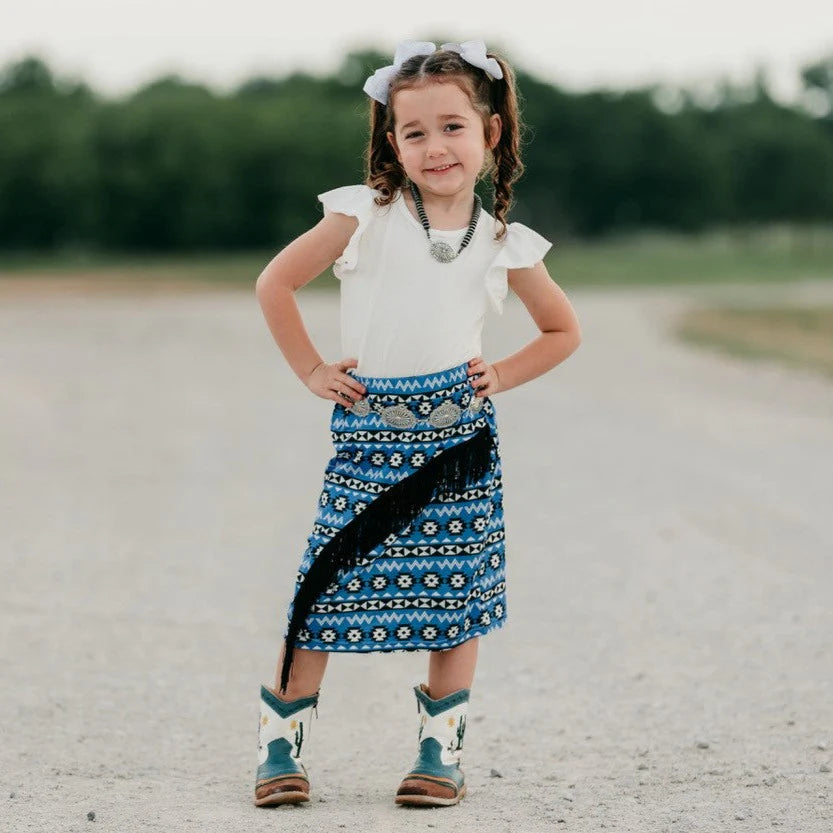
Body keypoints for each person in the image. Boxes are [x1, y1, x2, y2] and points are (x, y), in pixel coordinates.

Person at [252, 39, 582, 809]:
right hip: (368, 434)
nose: (435, 147)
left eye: (452, 127)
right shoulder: (360, 215)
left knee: (452, 594)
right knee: (324, 585)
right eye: (414, 132)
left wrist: (499, 373)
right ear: (390, 143)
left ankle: (440, 751)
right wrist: (309, 368)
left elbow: (562, 331)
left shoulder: (505, 242)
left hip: (458, 443)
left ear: (490, 134)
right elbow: (275, 282)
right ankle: (280, 746)